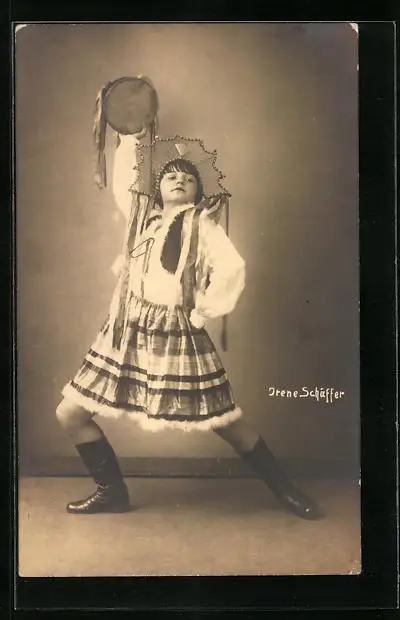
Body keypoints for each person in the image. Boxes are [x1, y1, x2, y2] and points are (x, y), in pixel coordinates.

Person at [56, 130, 321, 520]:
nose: (178, 180)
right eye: (170, 176)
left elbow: (232, 269)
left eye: (188, 178)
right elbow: (125, 182)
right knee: (70, 413)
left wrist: (202, 311)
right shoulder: (142, 221)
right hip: (127, 331)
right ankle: (111, 492)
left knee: (226, 421)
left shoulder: (204, 226)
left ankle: (286, 490)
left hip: (175, 333)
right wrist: (130, 140)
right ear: (157, 189)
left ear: (198, 193)